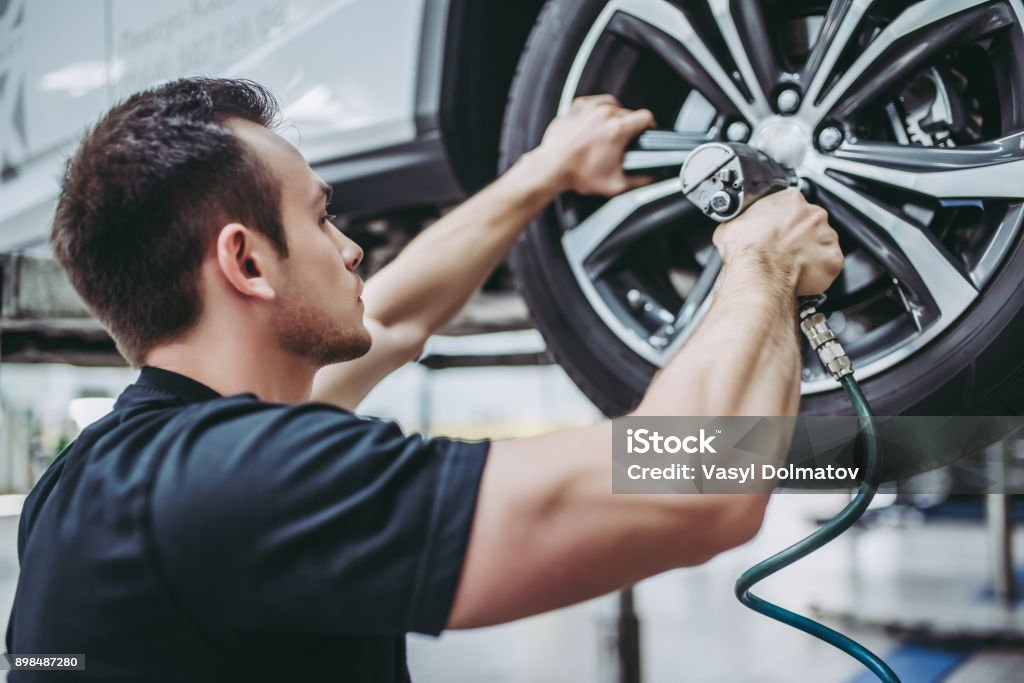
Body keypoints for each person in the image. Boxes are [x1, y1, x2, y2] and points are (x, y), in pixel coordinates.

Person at [6, 78, 842, 681]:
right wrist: (761, 255)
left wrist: (542, 173)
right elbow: (693, 482)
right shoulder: (232, 484)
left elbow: (397, 318)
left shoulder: (110, 474)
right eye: (320, 216)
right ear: (246, 260)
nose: (352, 247)